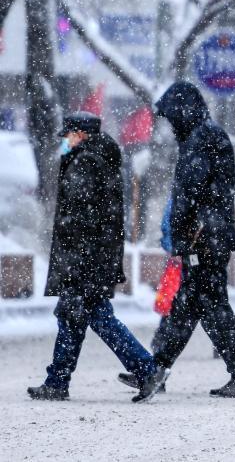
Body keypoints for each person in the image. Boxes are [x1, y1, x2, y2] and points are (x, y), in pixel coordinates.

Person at [28, 112, 167, 402]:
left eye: (69, 135)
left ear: (80, 134)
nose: (66, 141)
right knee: (73, 317)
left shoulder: (85, 162)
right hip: (95, 258)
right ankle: (57, 380)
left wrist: (75, 260)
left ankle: (147, 369)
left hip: (83, 261)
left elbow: (80, 218)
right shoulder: (103, 158)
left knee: (95, 317)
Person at [147, 81, 235, 397]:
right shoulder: (207, 136)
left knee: (209, 306)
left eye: (172, 118)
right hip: (210, 236)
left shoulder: (200, 139)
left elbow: (189, 193)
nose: (170, 126)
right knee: (188, 306)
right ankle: (155, 371)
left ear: (182, 112)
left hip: (203, 239)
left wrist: (181, 236)